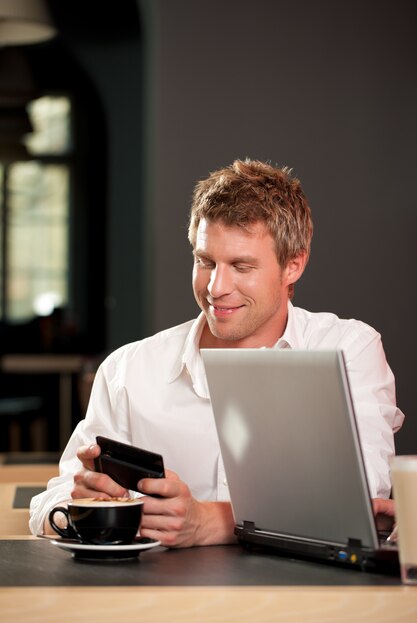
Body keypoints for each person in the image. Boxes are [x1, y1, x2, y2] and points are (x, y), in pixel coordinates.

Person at [29, 158, 404, 546]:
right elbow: (50, 502)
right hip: (160, 600)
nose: (216, 288)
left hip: (304, 599)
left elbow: (360, 503)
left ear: (294, 265)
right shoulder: (129, 369)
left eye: (242, 266)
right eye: (206, 261)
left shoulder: (349, 350)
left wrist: (214, 521)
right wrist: (96, 506)